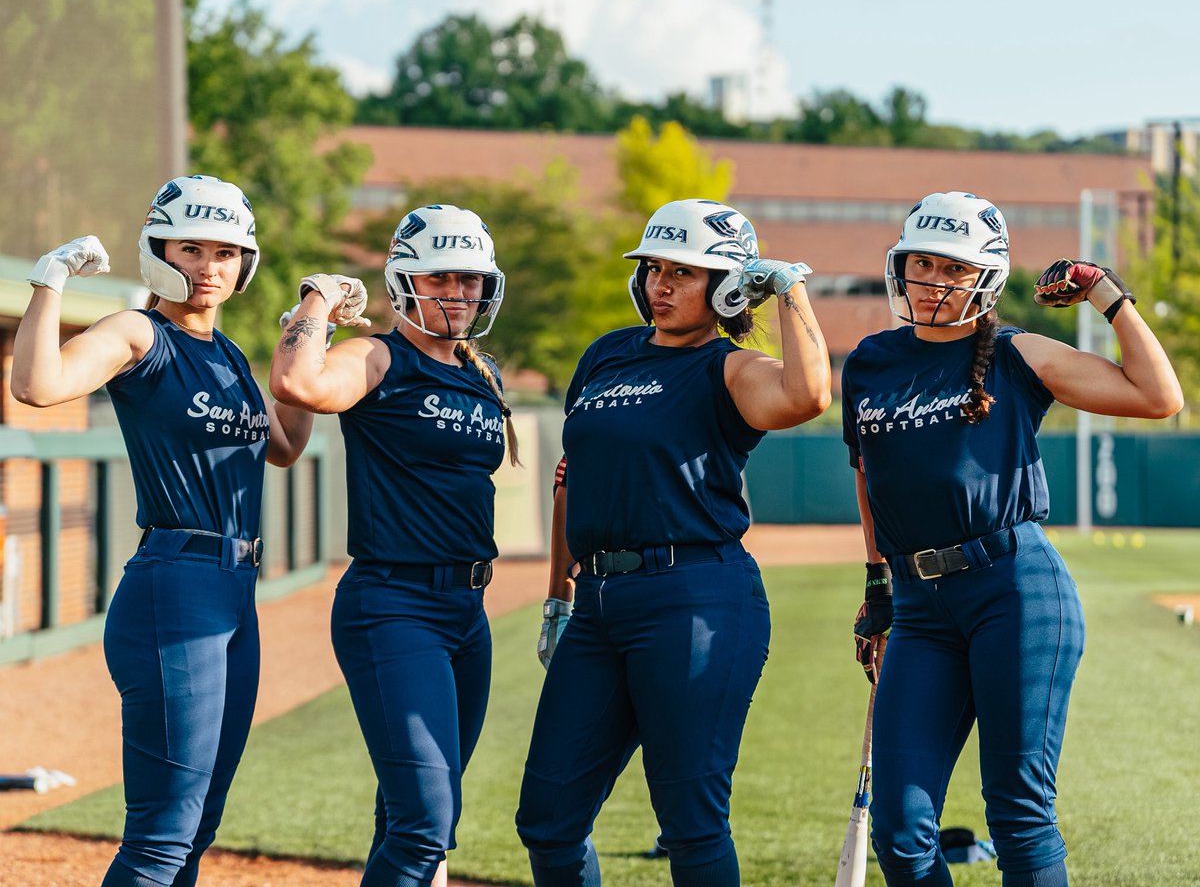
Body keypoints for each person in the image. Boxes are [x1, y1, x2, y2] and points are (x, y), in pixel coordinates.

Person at [843, 190, 1183, 887]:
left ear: (986, 279)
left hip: (1015, 593)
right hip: (917, 608)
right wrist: (877, 585)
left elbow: (1159, 397)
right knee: (901, 832)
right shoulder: (869, 362)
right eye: (922, 263)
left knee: (1019, 814)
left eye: (953, 269)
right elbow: (868, 477)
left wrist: (1106, 295)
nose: (932, 281)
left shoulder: (1018, 353)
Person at [10, 174, 320, 886]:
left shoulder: (232, 354)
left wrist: (310, 328)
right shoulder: (137, 331)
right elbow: (37, 386)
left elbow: (286, 442)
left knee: (198, 826)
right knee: (161, 834)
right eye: (191, 249)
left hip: (236, 590)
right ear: (156, 250)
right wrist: (49, 281)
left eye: (226, 252)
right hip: (175, 586)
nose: (209, 268)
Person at [516, 198, 832, 887]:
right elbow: (572, 479)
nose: (660, 285)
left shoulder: (730, 368)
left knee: (690, 822)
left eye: (682, 273)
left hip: (695, 599)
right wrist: (556, 599)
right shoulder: (605, 355)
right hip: (597, 604)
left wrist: (790, 290)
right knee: (546, 817)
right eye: (654, 269)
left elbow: (808, 396)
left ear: (724, 286)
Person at [269, 203, 519, 887]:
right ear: (406, 281)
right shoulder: (377, 356)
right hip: (393, 604)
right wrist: (318, 301)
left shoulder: (481, 373)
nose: (460, 294)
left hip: (468, 613)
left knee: (412, 815)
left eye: (471, 280)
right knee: (425, 827)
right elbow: (297, 383)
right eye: (443, 278)